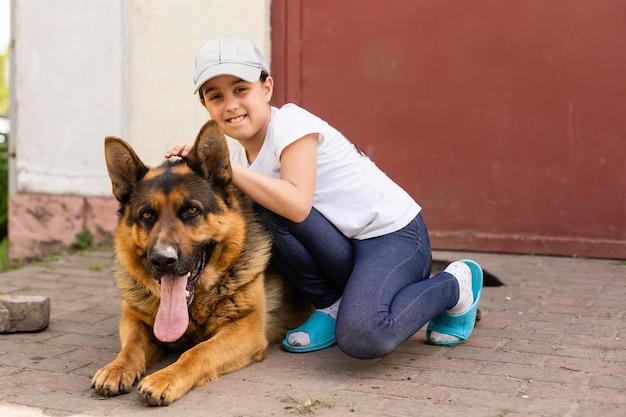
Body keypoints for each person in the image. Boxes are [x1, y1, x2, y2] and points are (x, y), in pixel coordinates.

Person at [165, 35, 484, 359]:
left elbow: (298, 204)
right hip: (341, 246)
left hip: (392, 237)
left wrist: (226, 168)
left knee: (365, 335)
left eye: (240, 89)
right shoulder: (241, 160)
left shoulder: (291, 123)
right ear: (206, 107)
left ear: (267, 88)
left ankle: (456, 283)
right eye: (215, 96)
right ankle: (331, 303)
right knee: (253, 212)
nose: (230, 104)